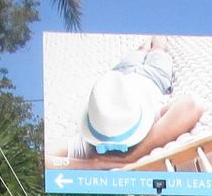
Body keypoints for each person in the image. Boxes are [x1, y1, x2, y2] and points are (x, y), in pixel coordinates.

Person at [71, 38, 203, 165]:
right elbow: (192, 104)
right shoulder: (149, 123)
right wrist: (133, 156)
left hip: (121, 74)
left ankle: (148, 38)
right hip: (154, 75)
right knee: (158, 48)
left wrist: (97, 164)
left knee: (141, 49)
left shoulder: (92, 138)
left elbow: (50, 153)